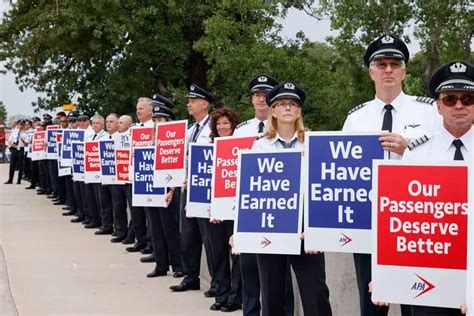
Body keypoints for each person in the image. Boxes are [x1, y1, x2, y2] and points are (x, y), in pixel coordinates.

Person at [342, 34, 441, 316]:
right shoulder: (355, 118)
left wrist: (409, 148)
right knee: (371, 303)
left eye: (394, 64)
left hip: (413, 224)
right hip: (368, 224)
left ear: (404, 71)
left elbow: (443, 159)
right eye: (381, 64)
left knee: (416, 302)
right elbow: (342, 174)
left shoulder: (430, 111)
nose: (388, 70)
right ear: (371, 71)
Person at [252, 81, 332, 316]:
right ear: (273, 111)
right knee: (271, 293)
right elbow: (251, 192)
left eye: (293, 104)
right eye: (282, 104)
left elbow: (325, 189)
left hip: (306, 228)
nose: (288, 108)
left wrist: (317, 228)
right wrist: (241, 231)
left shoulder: (315, 144)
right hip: (270, 226)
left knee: (315, 293)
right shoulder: (259, 147)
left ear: (299, 112)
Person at [403, 61, 473, 316]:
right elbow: (400, 216)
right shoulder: (416, 153)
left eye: (467, 98)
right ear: (438, 107)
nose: (459, 105)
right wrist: (384, 273)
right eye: (450, 98)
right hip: (429, 272)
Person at [233, 74, 295, 316]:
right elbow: (233, 179)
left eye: (265, 95)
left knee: (280, 279)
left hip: (283, 213)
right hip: (252, 214)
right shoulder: (241, 131)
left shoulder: (291, 134)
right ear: (252, 100)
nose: (261, 99)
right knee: (249, 269)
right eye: (257, 94)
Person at [170, 84, 216, 295]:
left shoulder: (214, 127)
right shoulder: (190, 130)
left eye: (193, 100)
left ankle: (216, 282)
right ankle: (191, 277)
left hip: (204, 192)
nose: (188, 103)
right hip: (187, 190)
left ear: (204, 104)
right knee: (188, 236)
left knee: (209, 238)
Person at [143, 94, 184, 279]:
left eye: (161, 120)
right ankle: (160, 264)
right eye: (156, 120)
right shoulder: (152, 140)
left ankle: (177, 265)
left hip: (170, 190)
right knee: (156, 228)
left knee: (170, 229)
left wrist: (172, 190)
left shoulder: (176, 141)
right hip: (152, 189)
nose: (158, 123)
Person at [207, 107, 243, 312]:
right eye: (218, 124)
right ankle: (221, 294)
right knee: (217, 253)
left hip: (234, 210)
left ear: (233, 125)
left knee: (236, 255)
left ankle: (235, 297)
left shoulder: (242, 146)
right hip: (212, 211)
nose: (221, 127)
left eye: (225, 123)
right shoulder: (209, 148)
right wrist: (213, 209)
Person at [109, 114, 133, 243]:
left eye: (121, 123)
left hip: (129, 178)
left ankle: (131, 235)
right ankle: (120, 231)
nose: (119, 125)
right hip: (117, 177)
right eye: (118, 123)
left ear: (129, 124)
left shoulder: (133, 135)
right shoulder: (115, 137)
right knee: (118, 206)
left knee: (133, 208)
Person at [84, 115, 107, 229]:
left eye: (97, 123)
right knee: (91, 197)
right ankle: (94, 219)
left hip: (99, 172)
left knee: (100, 200)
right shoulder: (90, 136)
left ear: (102, 125)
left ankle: (104, 223)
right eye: (93, 123)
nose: (95, 125)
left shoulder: (106, 136)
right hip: (90, 171)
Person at [5, 119, 26, 184]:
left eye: (22, 124)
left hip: (21, 149)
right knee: (12, 165)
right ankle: (10, 179)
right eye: (19, 124)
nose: (20, 126)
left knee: (20, 165)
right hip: (14, 149)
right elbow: (9, 140)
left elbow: (27, 142)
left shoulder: (24, 133)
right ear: (17, 125)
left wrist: (23, 140)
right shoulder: (14, 132)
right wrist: (12, 145)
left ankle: (19, 180)